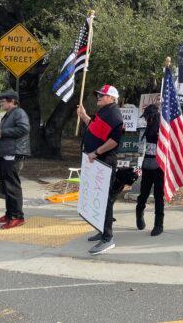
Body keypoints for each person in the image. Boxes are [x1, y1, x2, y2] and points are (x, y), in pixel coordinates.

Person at [77, 84, 124, 255]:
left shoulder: (113, 113)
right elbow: (94, 127)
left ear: (111, 98)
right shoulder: (105, 112)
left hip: (104, 161)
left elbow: (114, 140)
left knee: (104, 200)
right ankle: (102, 230)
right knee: (98, 198)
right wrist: (83, 116)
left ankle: (108, 238)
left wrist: (96, 152)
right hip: (97, 161)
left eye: (102, 95)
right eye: (98, 94)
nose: (98, 97)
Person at [0, 90, 30, 229]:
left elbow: (24, 129)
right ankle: (9, 214)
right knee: (6, 186)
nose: (1, 103)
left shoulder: (19, 113)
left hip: (14, 153)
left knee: (12, 186)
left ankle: (17, 217)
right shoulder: (9, 114)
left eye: (3, 100)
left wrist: (2, 132)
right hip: (5, 153)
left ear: (12, 101)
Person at [135, 104, 164, 236]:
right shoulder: (145, 127)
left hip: (159, 167)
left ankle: (158, 224)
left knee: (159, 197)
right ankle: (139, 214)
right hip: (147, 165)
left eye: (148, 117)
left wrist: (161, 136)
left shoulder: (162, 128)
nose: (147, 120)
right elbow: (140, 146)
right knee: (143, 195)